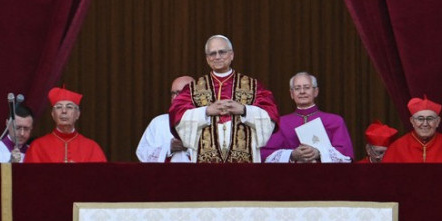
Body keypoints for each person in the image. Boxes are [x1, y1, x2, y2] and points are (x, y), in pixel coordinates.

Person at [169, 35, 279, 163]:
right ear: (207, 58)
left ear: (232, 55)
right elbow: (177, 115)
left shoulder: (253, 86)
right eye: (212, 53)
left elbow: (270, 115)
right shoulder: (193, 88)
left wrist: (244, 110)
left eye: (222, 52)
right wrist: (206, 111)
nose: (217, 57)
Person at [261, 72, 354, 163]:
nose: (302, 92)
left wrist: (319, 153)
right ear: (291, 94)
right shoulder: (280, 123)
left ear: (316, 92)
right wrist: (291, 155)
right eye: (297, 88)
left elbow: (345, 154)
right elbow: (265, 155)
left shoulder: (335, 121)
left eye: (307, 87)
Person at [24, 87, 106, 163]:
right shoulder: (38, 146)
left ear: (77, 114)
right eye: (59, 107)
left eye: (69, 107)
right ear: (53, 114)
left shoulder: (91, 147)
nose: (64, 111)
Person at [382, 95, 442, 163]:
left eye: (430, 119)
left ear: (438, 121)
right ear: (412, 121)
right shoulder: (397, 147)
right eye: (420, 119)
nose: (425, 124)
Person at [136, 76, 195, 163]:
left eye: (180, 93)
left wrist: (190, 146)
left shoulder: (208, 121)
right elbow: (142, 154)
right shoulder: (159, 122)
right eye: (173, 93)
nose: (175, 98)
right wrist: (169, 147)